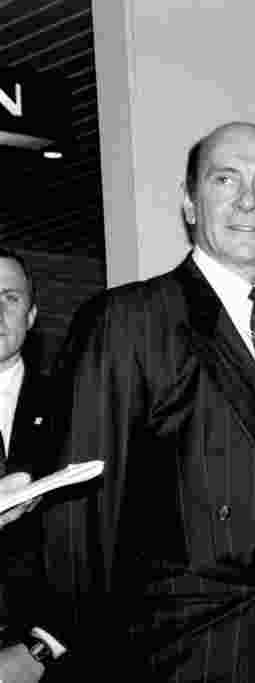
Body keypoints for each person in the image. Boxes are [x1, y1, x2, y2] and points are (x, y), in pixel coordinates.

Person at [39, 122, 255, 681]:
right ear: (190, 204)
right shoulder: (129, 321)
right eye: (224, 179)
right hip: (184, 661)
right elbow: (80, 528)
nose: (246, 200)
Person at [0, 249, 67, 682]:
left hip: (46, 657)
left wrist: (43, 648)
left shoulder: (76, 407)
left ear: (31, 315)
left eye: (9, 297)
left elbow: (111, 537)